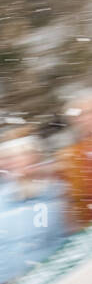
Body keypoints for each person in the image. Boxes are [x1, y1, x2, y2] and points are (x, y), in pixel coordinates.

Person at [0, 134, 68, 284]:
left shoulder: (57, 194)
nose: (16, 164)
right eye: (8, 159)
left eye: (24, 156)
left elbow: (65, 242)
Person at [60, 93, 92, 229]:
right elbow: (69, 201)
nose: (85, 119)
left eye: (89, 112)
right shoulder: (68, 156)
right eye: (79, 116)